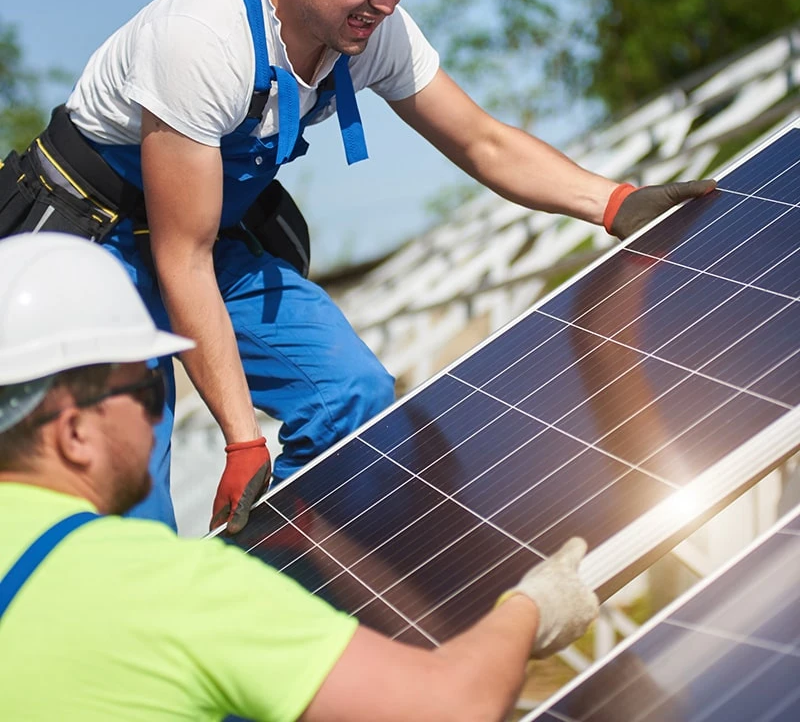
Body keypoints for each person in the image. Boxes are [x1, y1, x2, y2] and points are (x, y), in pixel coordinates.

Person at [0, 0, 716, 533]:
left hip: (199, 240)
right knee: (123, 483)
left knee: (351, 395)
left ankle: (276, 586)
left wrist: (615, 202)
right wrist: (243, 439)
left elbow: (484, 142)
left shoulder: (372, 36)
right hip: (87, 248)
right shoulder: (206, 38)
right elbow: (178, 259)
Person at [0, 232, 599, 722]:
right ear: (73, 433)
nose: (159, 411)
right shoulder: (170, 588)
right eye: (143, 387)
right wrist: (531, 607)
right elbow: (449, 706)